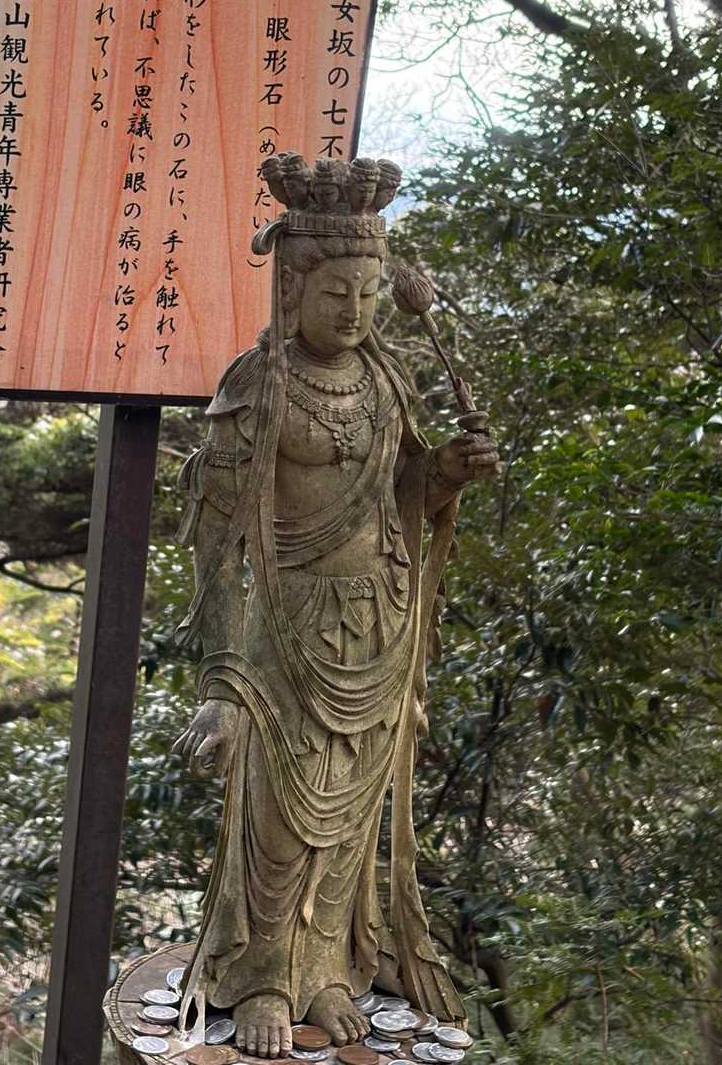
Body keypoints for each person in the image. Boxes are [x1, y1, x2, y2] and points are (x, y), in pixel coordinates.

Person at [173, 154, 499, 1059]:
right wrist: (222, 684)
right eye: (334, 292)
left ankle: (324, 968)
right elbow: (218, 545)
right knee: (278, 818)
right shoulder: (259, 384)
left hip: (378, 621)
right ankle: (263, 976)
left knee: (350, 821)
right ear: (293, 288)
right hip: (288, 625)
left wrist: (446, 473)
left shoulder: (387, 379)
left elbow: (401, 497)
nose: (354, 310)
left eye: (367, 292)